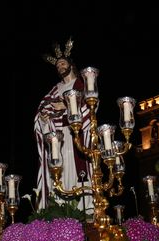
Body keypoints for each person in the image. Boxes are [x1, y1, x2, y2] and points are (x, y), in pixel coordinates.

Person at [34, 38, 92, 211]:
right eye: (57, 65)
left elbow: (90, 106)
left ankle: (82, 209)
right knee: (61, 169)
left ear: (70, 64)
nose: (60, 66)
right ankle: (61, 209)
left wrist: (66, 106)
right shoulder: (55, 89)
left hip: (77, 135)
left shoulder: (81, 83)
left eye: (62, 63)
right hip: (58, 137)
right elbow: (43, 108)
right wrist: (44, 118)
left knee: (77, 171)